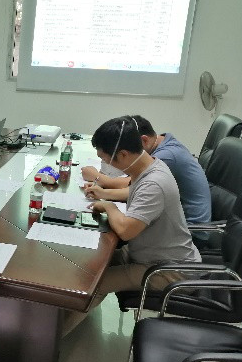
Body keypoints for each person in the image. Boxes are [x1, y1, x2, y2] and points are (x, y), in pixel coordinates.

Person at [64, 117, 201, 335]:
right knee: (91, 262)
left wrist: (109, 206)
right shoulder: (151, 166)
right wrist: (104, 193)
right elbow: (133, 192)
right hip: (150, 254)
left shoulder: (154, 183)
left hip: (168, 270)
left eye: (106, 159)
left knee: (91, 284)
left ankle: (48, 341)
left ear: (123, 155)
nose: (107, 166)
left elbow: (126, 230)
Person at [81, 115, 211, 229]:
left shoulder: (165, 158)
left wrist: (99, 180)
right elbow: (136, 187)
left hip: (190, 228)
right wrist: (103, 193)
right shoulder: (162, 146)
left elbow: (134, 188)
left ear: (143, 140)